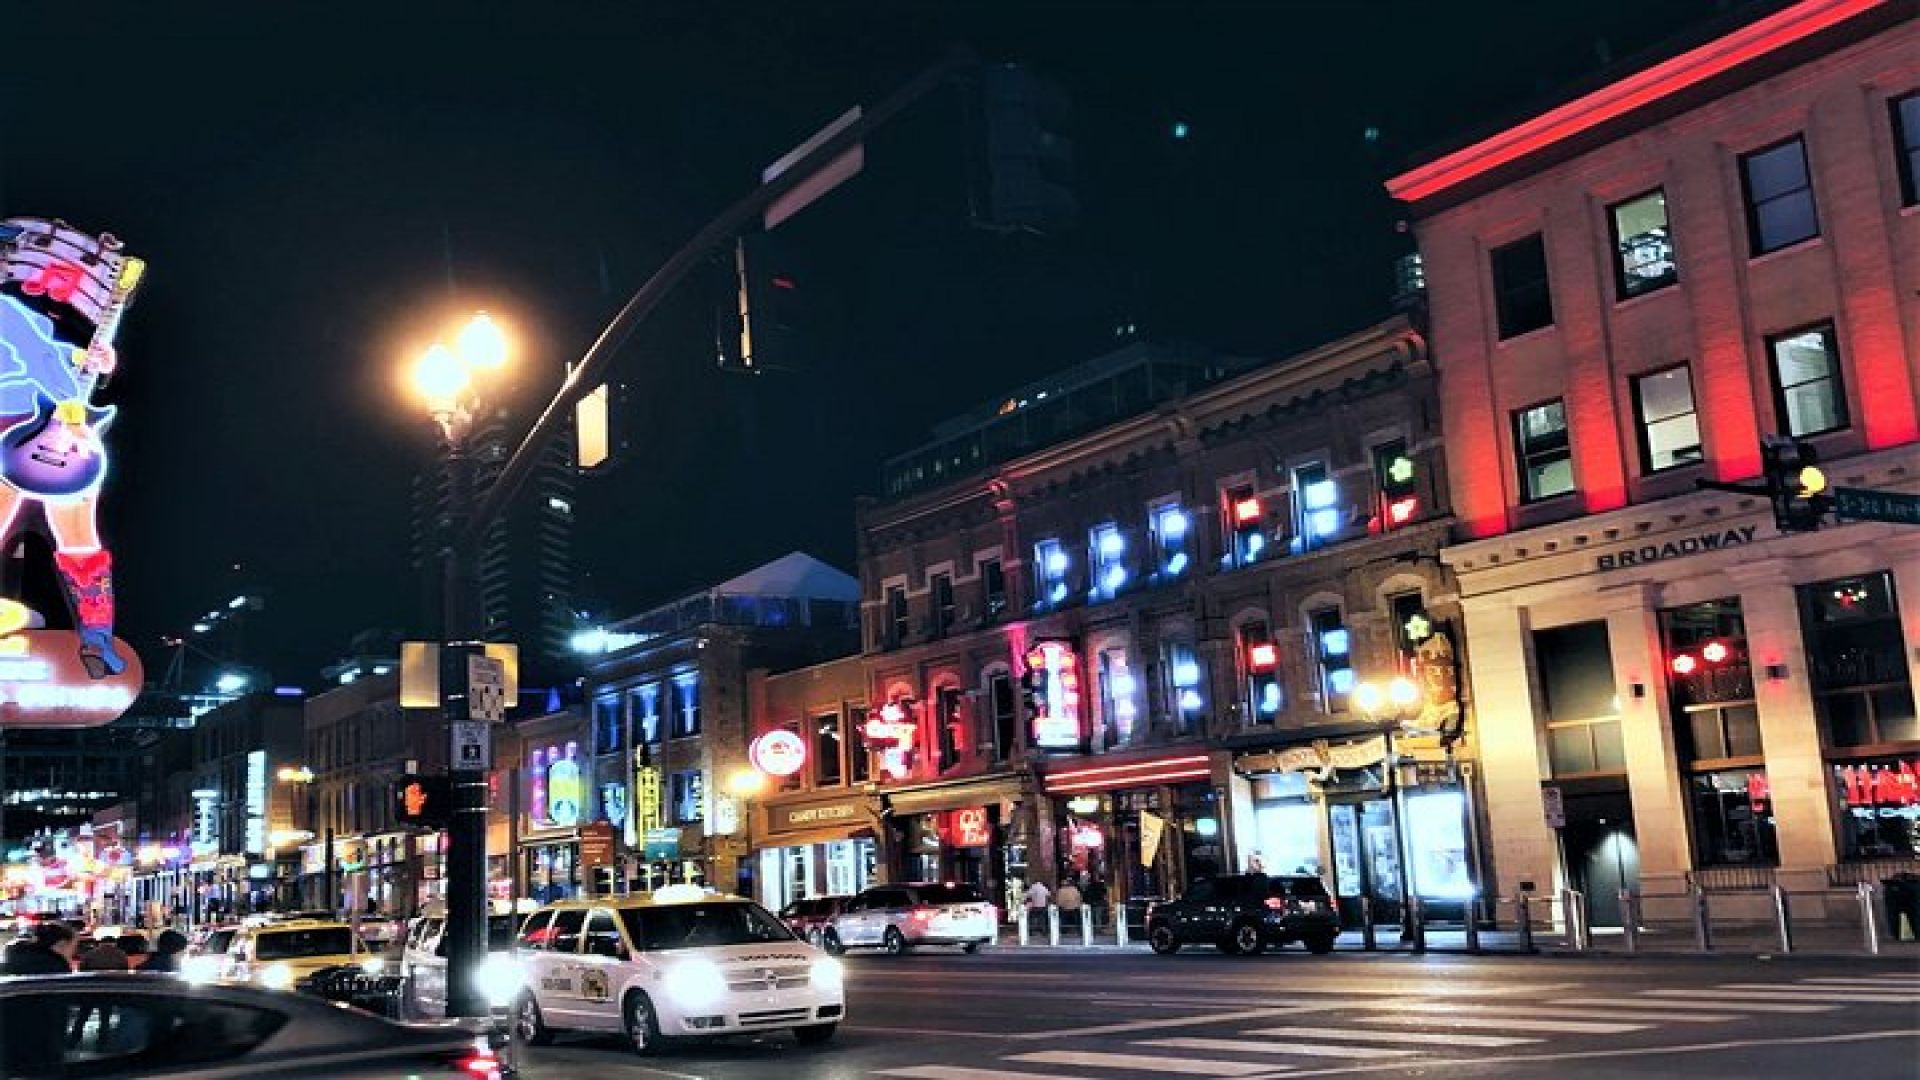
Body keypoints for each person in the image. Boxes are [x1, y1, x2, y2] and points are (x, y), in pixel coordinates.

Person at [3, 920, 78, 973]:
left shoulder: (10, 960)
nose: (73, 955)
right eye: (74, 948)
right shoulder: (57, 971)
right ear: (62, 944)